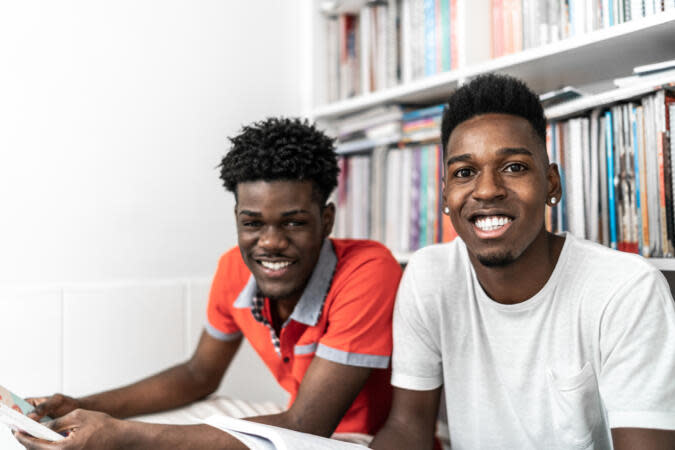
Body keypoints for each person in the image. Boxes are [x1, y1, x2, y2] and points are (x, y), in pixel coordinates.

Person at [17, 117, 401, 449]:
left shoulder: (368, 270)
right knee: (184, 423)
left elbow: (308, 426)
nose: (270, 242)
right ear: (237, 217)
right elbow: (198, 375)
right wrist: (83, 404)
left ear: (327, 220)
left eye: (294, 222)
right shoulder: (234, 268)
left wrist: (125, 435)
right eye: (252, 223)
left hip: (359, 440)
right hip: (298, 425)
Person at [371, 74, 675, 450]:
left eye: (513, 167)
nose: (486, 190)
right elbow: (407, 428)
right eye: (465, 173)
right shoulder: (429, 276)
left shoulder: (626, 290)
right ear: (446, 196)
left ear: (551, 184)